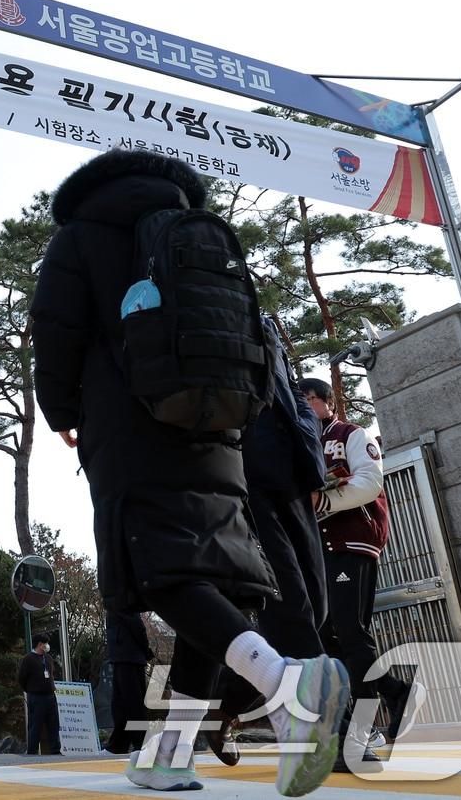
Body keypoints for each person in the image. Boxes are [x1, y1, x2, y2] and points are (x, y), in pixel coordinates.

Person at [31, 148, 349, 795]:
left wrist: (63, 410)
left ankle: (287, 684)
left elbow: (55, 329)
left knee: (162, 568)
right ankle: (170, 751)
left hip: (126, 421)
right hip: (220, 422)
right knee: (220, 574)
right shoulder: (197, 230)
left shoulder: (80, 236)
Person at [208, 316, 329, 766]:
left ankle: (225, 707)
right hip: (246, 481)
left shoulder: (265, 323)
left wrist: (311, 460)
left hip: (294, 479)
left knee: (315, 608)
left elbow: (292, 391)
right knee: (291, 605)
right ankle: (328, 730)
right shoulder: (202, 320)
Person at [300, 378, 416, 769]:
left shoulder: (352, 434)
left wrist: (322, 502)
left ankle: (370, 721)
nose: (304, 408)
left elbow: (369, 483)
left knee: (350, 633)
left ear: (327, 402)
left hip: (353, 544)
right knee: (329, 638)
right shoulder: (303, 443)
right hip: (319, 552)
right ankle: (388, 698)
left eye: (309, 401)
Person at [104, 612, 153, 755]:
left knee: (133, 704)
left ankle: (143, 746)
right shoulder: (114, 602)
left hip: (130, 658)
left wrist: (146, 650)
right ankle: (118, 745)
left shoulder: (122, 600)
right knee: (120, 706)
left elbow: (137, 627)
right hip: (120, 658)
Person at [16, 634, 61, 756]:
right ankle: (32, 751)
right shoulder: (28, 659)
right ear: (39, 644)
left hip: (50, 695)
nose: (47, 646)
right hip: (36, 696)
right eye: (45, 643)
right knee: (36, 725)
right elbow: (21, 678)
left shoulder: (48, 658)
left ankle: (55, 750)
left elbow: (51, 673)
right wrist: (30, 690)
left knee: (54, 724)